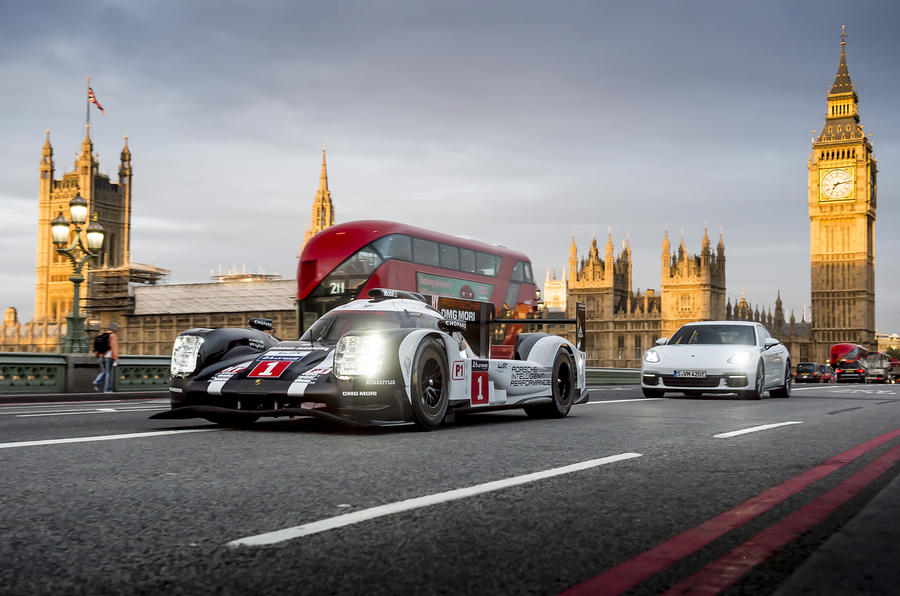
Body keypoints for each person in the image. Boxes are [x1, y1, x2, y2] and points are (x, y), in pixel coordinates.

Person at [92, 322, 119, 393]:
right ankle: (107, 389)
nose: (116, 328)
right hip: (109, 356)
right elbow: (114, 348)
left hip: (100, 356)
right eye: (116, 327)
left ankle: (96, 381)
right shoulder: (113, 336)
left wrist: (98, 354)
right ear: (113, 328)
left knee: (104, 371)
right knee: (108, 373)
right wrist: (116, 358)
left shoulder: (102, 335)